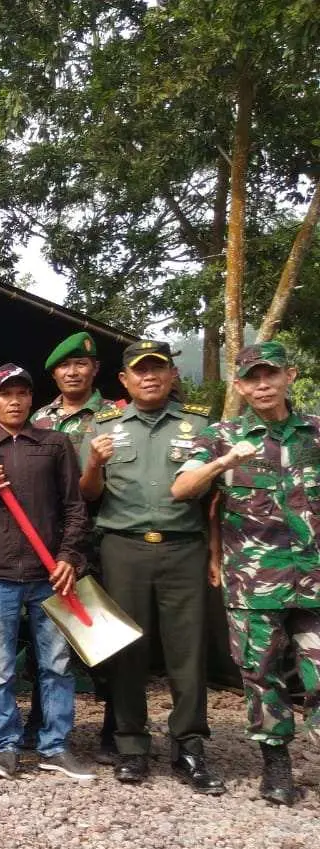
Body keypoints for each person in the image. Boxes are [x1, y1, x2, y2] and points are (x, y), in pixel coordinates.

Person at [171, 341, 320, 805]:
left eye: (270, 374)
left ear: (288, 376)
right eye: (252, 377)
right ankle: (276, 765)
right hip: (253, 583)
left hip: (315, 580)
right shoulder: (221, 435)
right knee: (261, 674)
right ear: (239, 385)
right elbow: (182, 489)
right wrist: (223, 463)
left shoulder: (315, 432)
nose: (262, 385)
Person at [80, 339, 225, 793]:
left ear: (171, 375)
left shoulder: (200, 424)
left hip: (184, 547)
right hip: (123, 547)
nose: (149, 377)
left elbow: (217, 497)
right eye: (139, 370)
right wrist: (95, 463)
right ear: (123, 380)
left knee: (187, 650)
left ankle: (189, 746)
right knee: (126, 650)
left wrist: (215, 553)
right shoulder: (103, 426)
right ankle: (131, 747)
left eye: (157, 369)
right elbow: (87, 495)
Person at [0, 363, 95, 781]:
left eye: (21, 392)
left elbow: (75, 507)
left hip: (49, 575)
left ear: (32, 398)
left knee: (55, 664)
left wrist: (69, 556)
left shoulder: (54, 444)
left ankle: (54, 745)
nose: (13, 400)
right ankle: (7, 746)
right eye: (4, 394)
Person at [30, 331, 118, 759]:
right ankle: (42, 720)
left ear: (94, 370)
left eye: (80, 364)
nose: (72, 372)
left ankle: (115, 728)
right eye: (64, 366)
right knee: (48, 641)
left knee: (100, 636)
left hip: (102, 542)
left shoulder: (116, 418)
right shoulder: (40, 420)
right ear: (54, 373)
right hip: (54, 547)